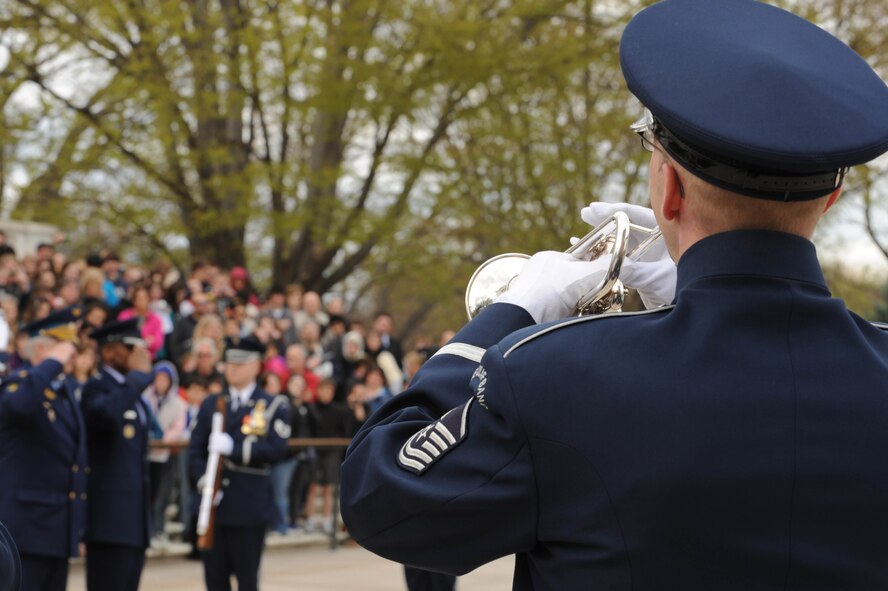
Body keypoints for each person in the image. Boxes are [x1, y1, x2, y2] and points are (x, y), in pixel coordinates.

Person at [340, 1, 888, 588]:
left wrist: (511, 315)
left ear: (668, 187)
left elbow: (383, 497)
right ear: (829, 200)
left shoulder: (555, 376)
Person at [187, 336, 290, 591]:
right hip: (215, 507)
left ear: (256, 366)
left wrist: (235, 448)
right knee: (215, 581)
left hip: (249, 505)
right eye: (230, 361)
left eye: (241, 362)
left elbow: (277, 449)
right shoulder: (212, 404)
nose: (233, 367)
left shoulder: (272, 405)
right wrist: (206, 483)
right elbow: (195, 450)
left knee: (247, 581)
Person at [0, 308, 87, 591]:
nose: (72, 356)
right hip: (25, 532)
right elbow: (16, 405)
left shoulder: (62, 391)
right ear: (41, 349)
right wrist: (50, 363)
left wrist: (76, 531)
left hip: (56, 532)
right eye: (65, 349)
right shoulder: (20, 384)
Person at [80, 318, 154, 591]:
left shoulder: (127, 391)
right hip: (108, 523)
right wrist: (136, 380)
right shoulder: (97, 387)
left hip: (133, 522)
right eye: (130, 347)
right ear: (109, 351)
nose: (138, 355)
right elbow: (107, 414)